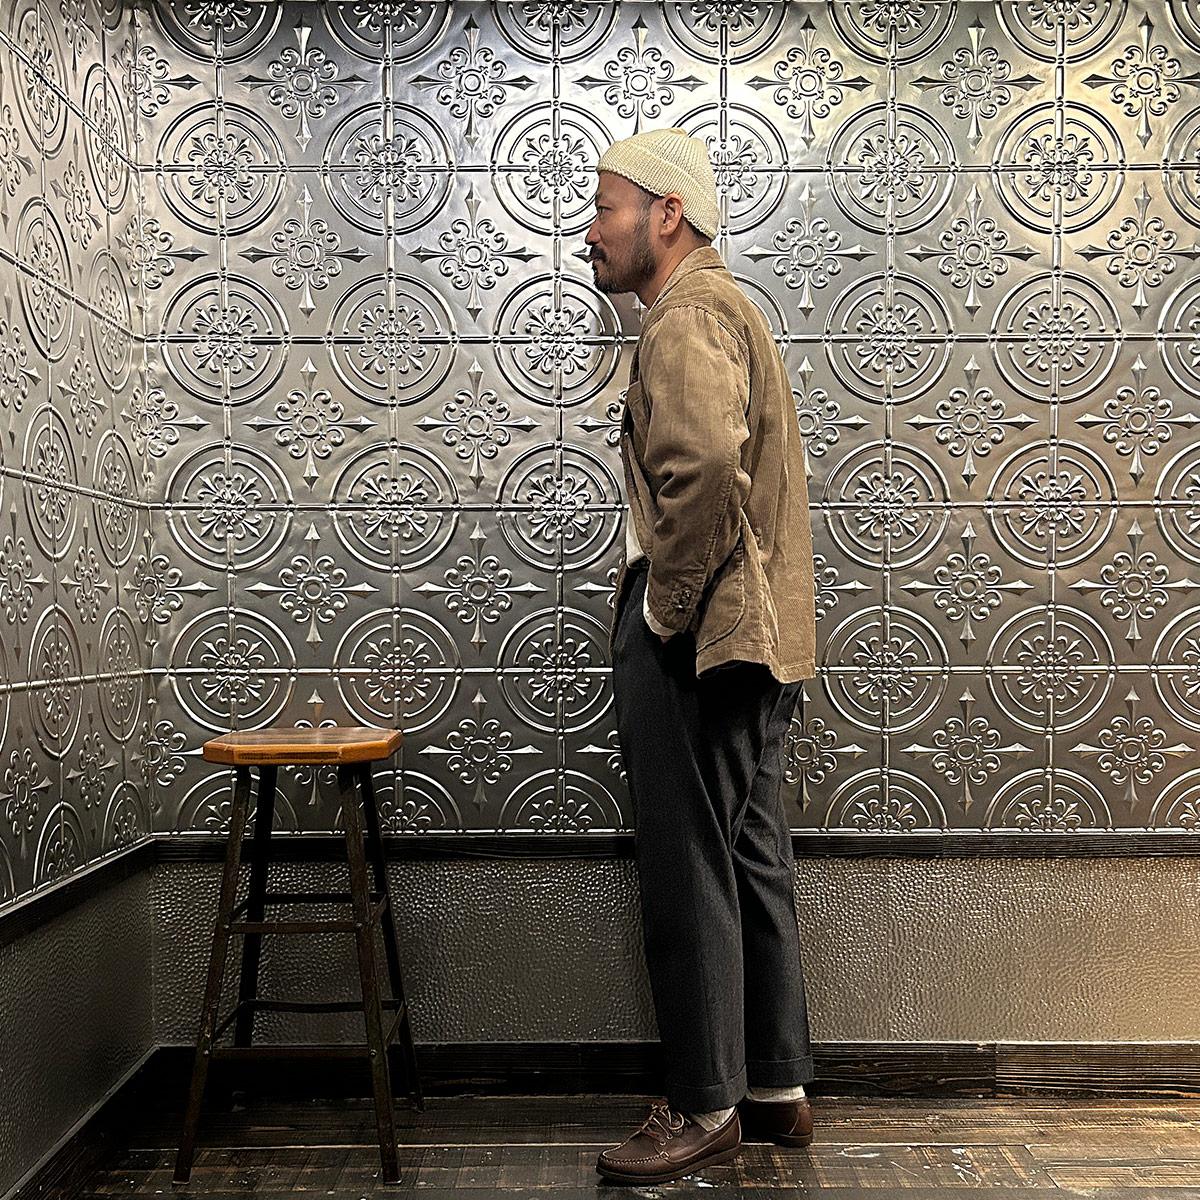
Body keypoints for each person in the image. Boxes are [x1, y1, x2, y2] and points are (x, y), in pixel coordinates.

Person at [585, 126, 820, 1185]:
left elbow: (709, 470)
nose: (590, 231)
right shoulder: (729, 309)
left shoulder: (684, 316)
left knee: (688, 870)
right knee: (748, 858)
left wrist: (664, 616)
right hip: (757, 646)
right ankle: (772, 1091)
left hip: (703, 643)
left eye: (605, 208)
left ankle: (702, 1106)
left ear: (665, 214)